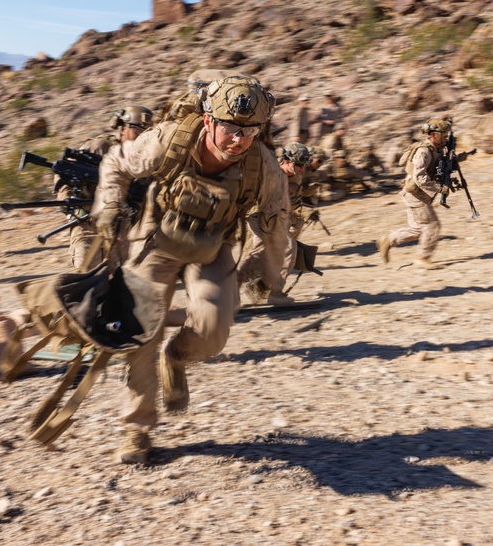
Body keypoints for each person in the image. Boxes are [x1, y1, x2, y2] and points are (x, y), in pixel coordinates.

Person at [95, 75, 289, 464]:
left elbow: (275, 225)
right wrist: (110, 205)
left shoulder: (264, 167)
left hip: (213, 246)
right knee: (141, 328)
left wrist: (269, 274)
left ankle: (176, 358)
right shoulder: (169, 140)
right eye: (230, 128)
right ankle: (137, 428)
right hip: (156, 240)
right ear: (209, 120)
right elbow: (117, 160)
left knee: (214, 325)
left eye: (250, 131)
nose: (239, 139)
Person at [67, 105, 153, 271]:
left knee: (125, 278)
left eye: (147, 133)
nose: (141, 138)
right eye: (137, 131)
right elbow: (65, 173)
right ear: (124, 129)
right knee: (86, 274)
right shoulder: (99, 147)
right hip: (88, 226)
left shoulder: (147, 159)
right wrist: (70, 203)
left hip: (123, 230)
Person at [376, 118, 466, 269]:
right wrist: (439, 188)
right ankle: (422, 258)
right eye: (444, 135)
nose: (446, 138)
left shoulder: (437, 149)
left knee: (418, 229)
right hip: (416, 195)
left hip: (420, 194)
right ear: (434, 134)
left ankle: (388, 241)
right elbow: (420, 178)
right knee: (432, 225)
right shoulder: (423, 151)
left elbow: (438, 167)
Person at [241, 142, 314, 305]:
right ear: (287, 161)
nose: (302, 169)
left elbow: (293, 199)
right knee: (287, 247)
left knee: (263, 254)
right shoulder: (271, 175)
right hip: (260, 217)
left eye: (304, 165)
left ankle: (254, 288)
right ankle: (274, 292)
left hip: (279, 217)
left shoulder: (295, 175)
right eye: (298, 165)